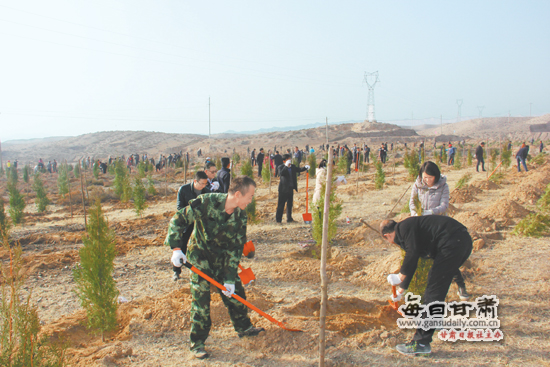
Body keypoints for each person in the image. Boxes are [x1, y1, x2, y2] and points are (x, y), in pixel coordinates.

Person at [166, 176, 264, 359]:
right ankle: (197, 343)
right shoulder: (206, 202)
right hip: (200, 258)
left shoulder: (241, 216)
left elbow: (235, 249)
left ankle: (245, 328)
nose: (251, 200)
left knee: (236, 295)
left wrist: (229, 278)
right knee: (201, 302)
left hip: (222, 260)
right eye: (249, 196)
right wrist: (177, 248)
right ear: (237, 194)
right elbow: (178, 220)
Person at [380, 216, 472, 356]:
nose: (392, 243)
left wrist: (400, 276)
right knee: (436, 284)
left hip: (453, 242)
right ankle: (435, 321)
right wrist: (401, 290)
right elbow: (413, 260)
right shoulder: (407, 231)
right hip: (459, 242)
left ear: (387, 236)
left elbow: (412, 253)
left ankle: (421, 343)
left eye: (388, 241)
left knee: (433, 291)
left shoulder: (403, 228)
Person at [172, 171, 210, 280]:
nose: (203, 186)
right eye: (201, 183)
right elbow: (179, 208)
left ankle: (203, 271)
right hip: (187, 222)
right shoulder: (183, 190)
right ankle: (176, 271)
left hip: (200, 223)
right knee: (181, 245)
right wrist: (191, 208)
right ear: (195, 181)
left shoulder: (206, 191)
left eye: (205, 184)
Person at [276, 154, 309, 223]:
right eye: (288, 159)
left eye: (290, 159)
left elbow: (299, 169)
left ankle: (289, 218)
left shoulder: (292, 167)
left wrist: (305, 167)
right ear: (284, 161)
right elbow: (281, 174)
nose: (289, 160)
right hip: (283, 190)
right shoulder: (280, 167)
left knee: (290, 204)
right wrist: (285, 166)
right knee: (281, 205)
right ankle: (278, 220)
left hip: (290, 188)